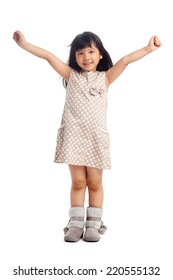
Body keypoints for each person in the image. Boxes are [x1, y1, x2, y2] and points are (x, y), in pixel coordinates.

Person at [13, 30, 161, 242]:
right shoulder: (71, 76)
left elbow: (126, 61)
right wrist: (24, 44)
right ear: (75, 57)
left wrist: (148, 48)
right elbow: (48, 56)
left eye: (91, 51)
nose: (86, 57)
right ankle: (74, 225)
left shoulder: (105, 78)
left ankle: (93, 224)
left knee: (94, 182)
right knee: (78, 182)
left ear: (100, 54)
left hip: (94, 139)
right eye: (80, 53)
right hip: (73, 137)